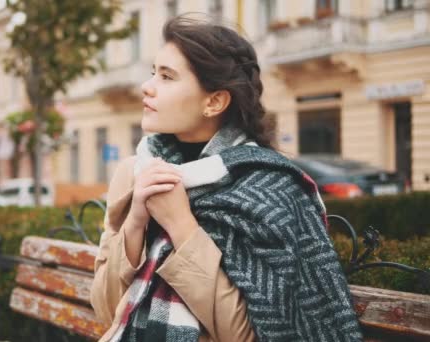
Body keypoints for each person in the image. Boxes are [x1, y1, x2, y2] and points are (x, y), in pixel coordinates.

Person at [90, 14, 362, 342]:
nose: (147, 87)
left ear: (214, 101)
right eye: (153, 73)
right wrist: (135, 222)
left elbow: (251, 335)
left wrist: (182, 227)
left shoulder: (268, 188)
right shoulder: (135, 174)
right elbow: (106, 312)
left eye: (167, 77)